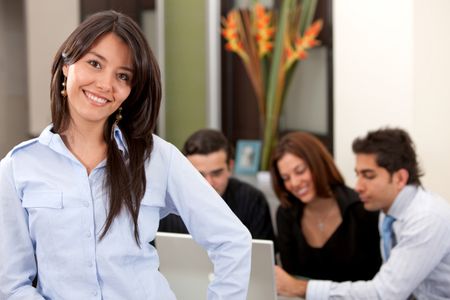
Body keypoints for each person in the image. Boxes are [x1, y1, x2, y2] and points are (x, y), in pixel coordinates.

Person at [0, 11, 252, 299]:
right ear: (68, 65)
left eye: (123, 76)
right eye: (95, 63)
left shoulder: (157, 158)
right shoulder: (17, 169)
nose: (106, 85)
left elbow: (233, 241)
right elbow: (12, 286)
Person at [278, 128, 450, 299]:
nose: (358, 186)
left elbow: (384, 294)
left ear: (399, 179)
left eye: (368, 176)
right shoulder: (387, 213)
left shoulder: (426, 218)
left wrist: (301, 288)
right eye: (358, 175)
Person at [269, 132, 382, 291]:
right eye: (286, 178)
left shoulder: (362, 210)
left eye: (300, 171)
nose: (294, 183)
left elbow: (375, 285)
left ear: (318, 164)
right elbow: (289, 279)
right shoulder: (286, 214)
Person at [159, 129, 276, 243]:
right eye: (199, 175)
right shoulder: (167, 203)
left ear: (230, 166)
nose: (208, 183)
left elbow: (264, 257)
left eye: (216, 173)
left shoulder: (253, 200)